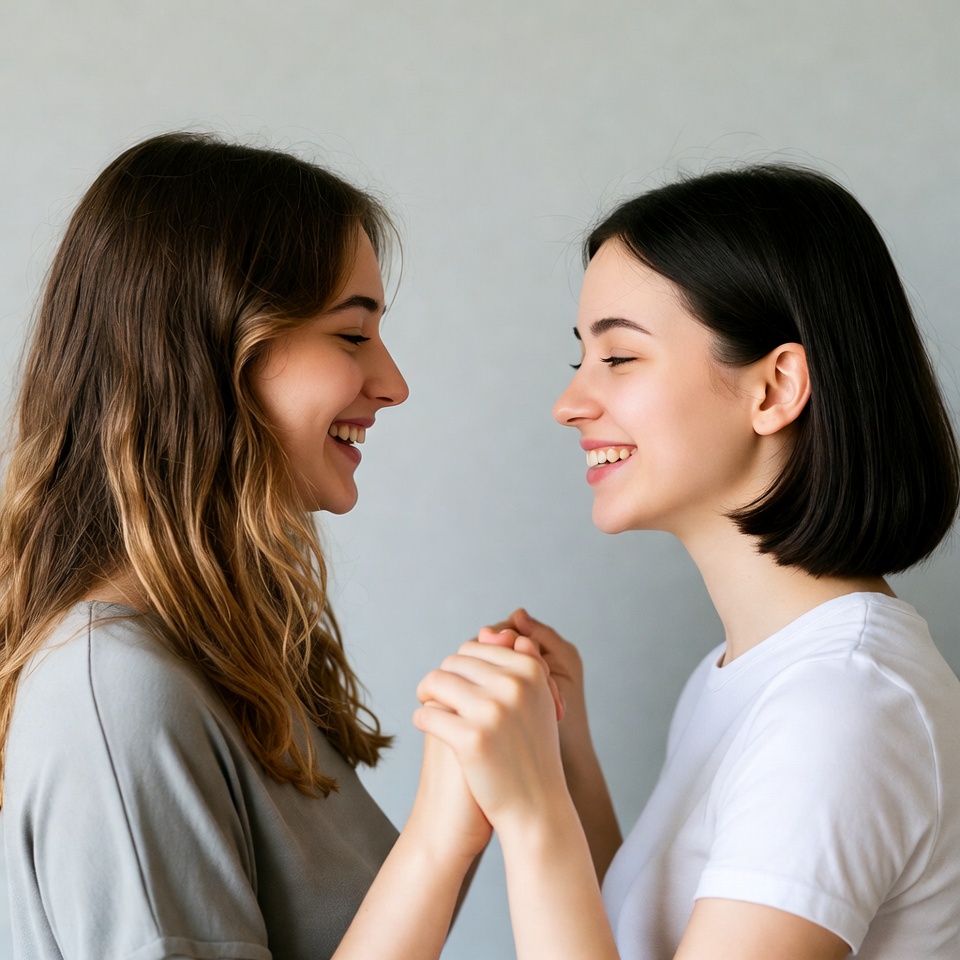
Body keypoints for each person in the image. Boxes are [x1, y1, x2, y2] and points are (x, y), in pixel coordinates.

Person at [415, 164, 960, 960]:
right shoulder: (745, 674)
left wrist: (534, 817)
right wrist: (569, 767)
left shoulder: (842, 704)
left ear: (775, 388)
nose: (570, 403)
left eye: (620, 358)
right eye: (581, 359)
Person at [0, 131, 491, 960]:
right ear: (215, 354)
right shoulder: (118, 692)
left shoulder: (213, 660)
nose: (394, 383)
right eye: (350, 335)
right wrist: (441, 840)